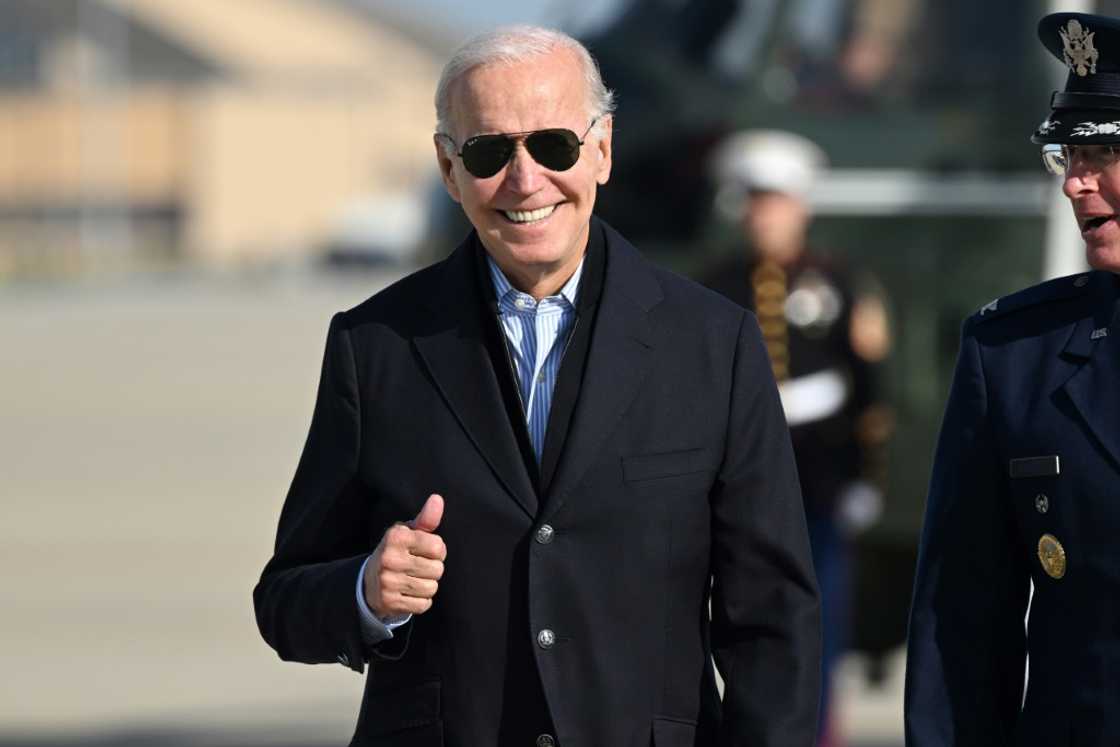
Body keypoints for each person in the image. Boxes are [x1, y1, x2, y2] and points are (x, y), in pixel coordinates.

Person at [253, 26, 821, 747]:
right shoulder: (376, 347)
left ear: (603, 150)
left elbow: (773, 623)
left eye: (553, 145)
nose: (526, 181)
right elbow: (285, 599)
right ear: (449, 168)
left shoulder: (716, 345)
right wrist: (367, 591)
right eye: (491, 152)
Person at [905, 12, 1120, 746]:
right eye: (1069, 155)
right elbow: (960, 622)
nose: (1077, 184)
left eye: (1106, 152)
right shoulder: (1014, 354)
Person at [700, 130, 892, 747]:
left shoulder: (836, 283)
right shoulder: (716, 285)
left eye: (777, 201)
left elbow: (869, 387)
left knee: (819, 616)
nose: (766, 215)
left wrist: (864, 475)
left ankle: (817, 733)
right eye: (755, 201)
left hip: (819, 482)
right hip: (740, 486)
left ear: (801, 207)